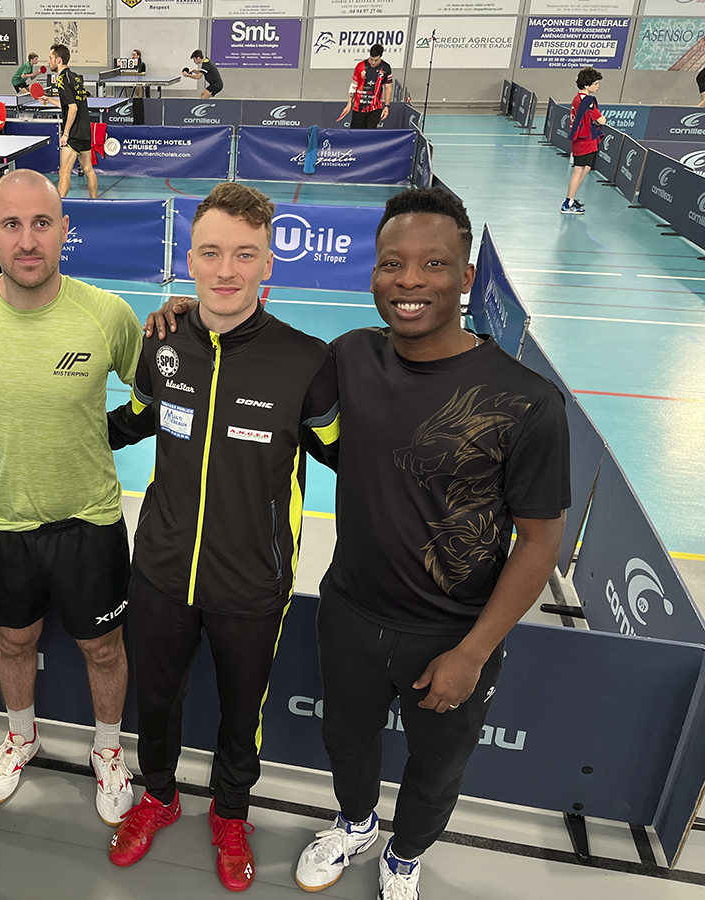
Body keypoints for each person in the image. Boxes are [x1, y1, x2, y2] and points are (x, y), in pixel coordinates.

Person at [291, 188, 569, 899]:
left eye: (434, 264)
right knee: (345, 741)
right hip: (349, 613)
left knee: (438, 766)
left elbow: (540, 543)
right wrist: (186, 315)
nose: (409, 280)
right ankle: (356, 824)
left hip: (451, 632)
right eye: (392, 263)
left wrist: (471, 653)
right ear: (374, 272)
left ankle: (405, 856)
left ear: (466, 277)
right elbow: (260, 362)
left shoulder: (528, 401)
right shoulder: (350, 355)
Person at [104, 183, 340, 893]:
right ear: (189, 260)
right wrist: (37, 423)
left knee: (243, 713)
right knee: (156, 701)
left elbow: (350, 456)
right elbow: (132, 421)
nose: (226, 270)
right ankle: (158, 797)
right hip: (162, 569)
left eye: (244, 254)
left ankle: (231, 814)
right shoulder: (164, 343)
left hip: (253, 581)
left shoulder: (306, 361)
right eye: (211, 253)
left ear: (269, 262)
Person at [0, 168, 143, 826]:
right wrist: (6, 422)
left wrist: (103, 430)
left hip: (90, 518)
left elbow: (157, 392)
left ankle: (107, 750)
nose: (27, 240)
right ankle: (21, 736)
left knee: (104, 648)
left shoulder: (106, 313)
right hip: (2, 516)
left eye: (41, 223)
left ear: (63, 229)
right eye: (11, 225)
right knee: (13, 640)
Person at [44, 43, 97, 199]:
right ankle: (95, 203)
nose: (48, 62)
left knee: (64, 171)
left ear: (58, 60)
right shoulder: (75, 77)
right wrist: (50, 100)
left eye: (50, 58)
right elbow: (69, 104)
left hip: (74, 131)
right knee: (88, 168)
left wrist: (66, 133)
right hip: (85, 128)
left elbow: (72, 108)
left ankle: (58, 206)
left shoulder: (61, 79)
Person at [563, 67, 606, 215]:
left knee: (586, 168)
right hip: (584, 140)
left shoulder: (577, 98)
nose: (598, 86)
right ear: (587, 85)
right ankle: (567, 203)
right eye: (596, 83)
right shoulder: (587, 101)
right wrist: (601, 119)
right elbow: (601, 120)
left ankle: (571, 198)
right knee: (578, 170)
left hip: (585, 139)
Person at [340, 43, 393, 129]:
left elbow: (388, 88)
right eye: (371, 59)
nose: (373, 62)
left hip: (375, 109)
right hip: (358, 108)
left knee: (370, 135)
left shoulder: (386, 68)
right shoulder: (360, 66)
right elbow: (353, 86)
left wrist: (387, 106)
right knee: (356, 134)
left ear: (381, 57)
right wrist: (349, 103)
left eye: (376, 60)